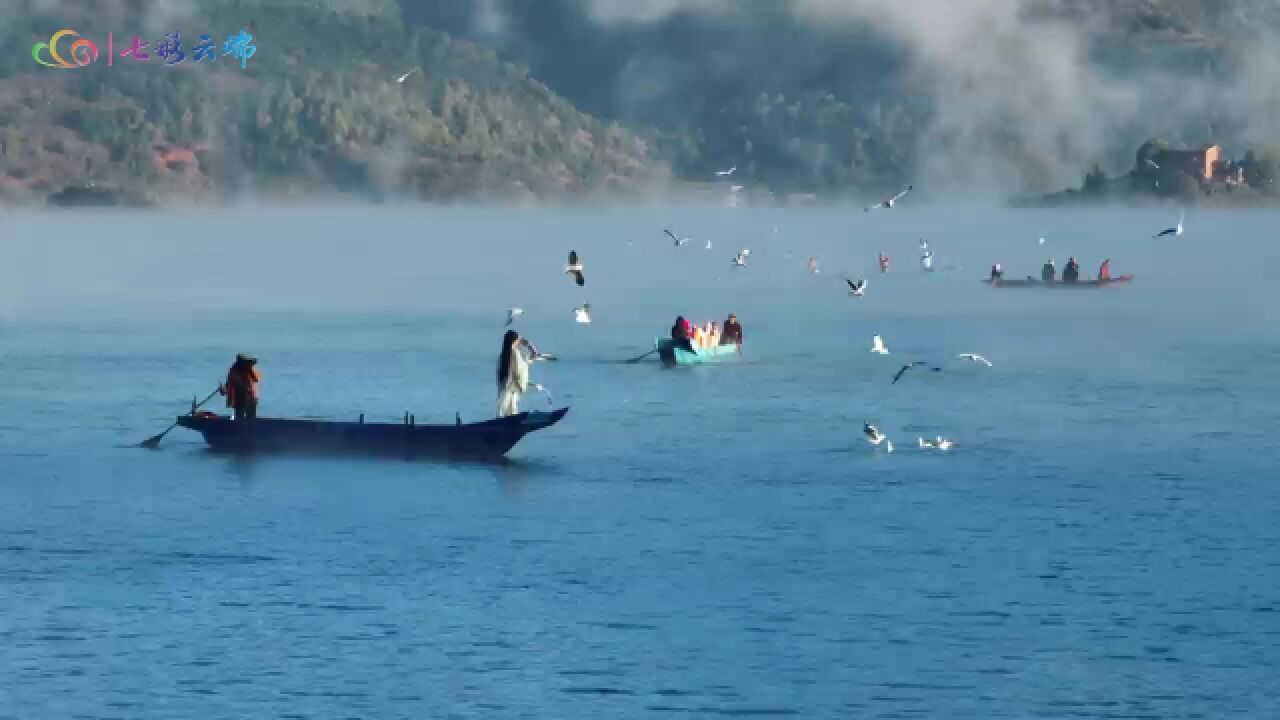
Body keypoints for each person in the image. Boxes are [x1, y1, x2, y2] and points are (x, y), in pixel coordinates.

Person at [496, 330, 529, 418]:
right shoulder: (515, 352)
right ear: (514, 341)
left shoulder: (502, 354)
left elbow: (499, 372)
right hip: (512, 388)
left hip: (504, 387)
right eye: (517, 339)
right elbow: (519, 370)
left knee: (502, 411)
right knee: (512, 411)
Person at [221, 353, 260, 421]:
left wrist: (250, 367)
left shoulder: (248, 369)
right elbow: (231, 383)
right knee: (241, 419)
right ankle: (242, 428)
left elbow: (256, 379)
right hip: (241, 399)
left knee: (250, 419)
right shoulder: (234, 370)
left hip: (249, 399)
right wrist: (224, 390)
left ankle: (247, 428)